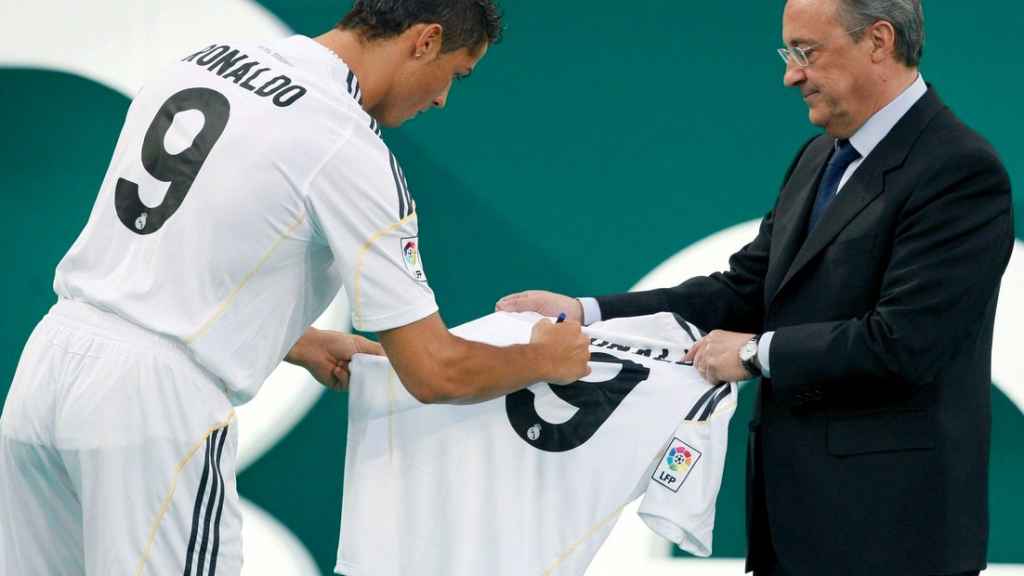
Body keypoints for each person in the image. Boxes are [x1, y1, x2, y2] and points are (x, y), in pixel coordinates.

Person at [0, 1, 590, 574]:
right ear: (425, 40)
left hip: (47, 372)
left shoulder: (205, 60)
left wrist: (300, 341)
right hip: (153, 413)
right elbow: (434, 371)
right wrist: (544, 359)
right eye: (456, 74)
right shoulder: (347, 143)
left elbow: (165, 257)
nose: (441, 99)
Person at [497, 0, 1014, 574]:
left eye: (806, 52)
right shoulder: (819, 157)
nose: (791, 74)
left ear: (878, 41)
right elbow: (743, 289)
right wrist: (587, 312)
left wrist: (752, 352)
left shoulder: (959, 170)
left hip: (892, 538)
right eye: (788, 53)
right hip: (791, 530)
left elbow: (906, 342)